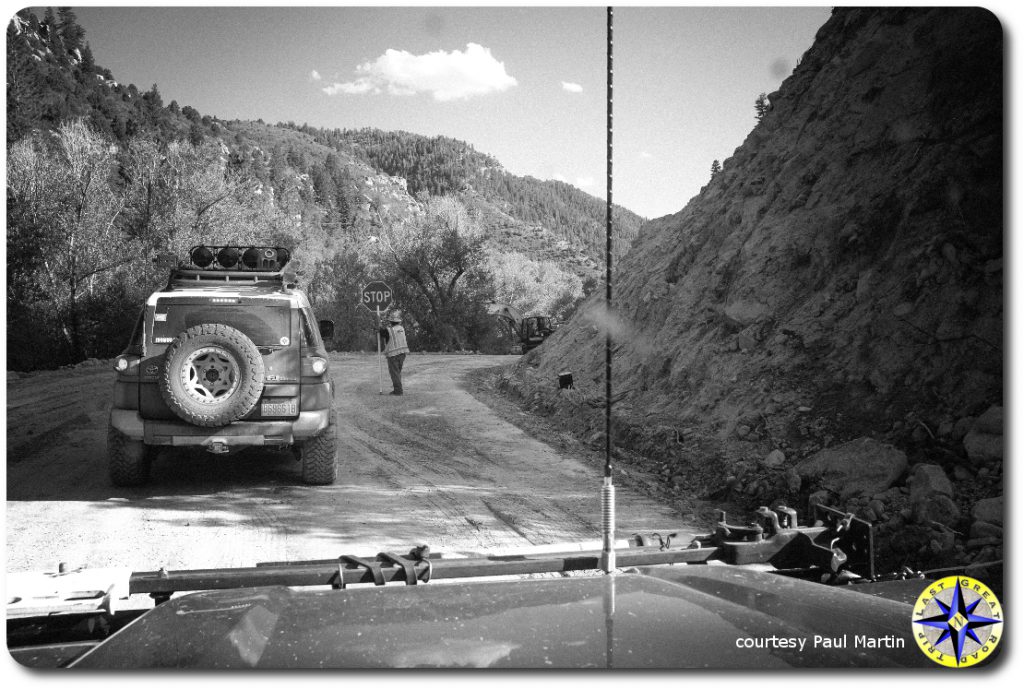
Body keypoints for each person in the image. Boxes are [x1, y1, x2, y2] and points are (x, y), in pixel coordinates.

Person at [378, 309, 410, 395]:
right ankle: (398, 389)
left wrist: (379, 324)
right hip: (403, 354)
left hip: (393, 355)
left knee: (394, 373)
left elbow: (381, 332)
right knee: (397, 372)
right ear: (398, 322)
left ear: (391, 322)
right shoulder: (401, 328)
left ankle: (398, 391)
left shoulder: (390, 330)